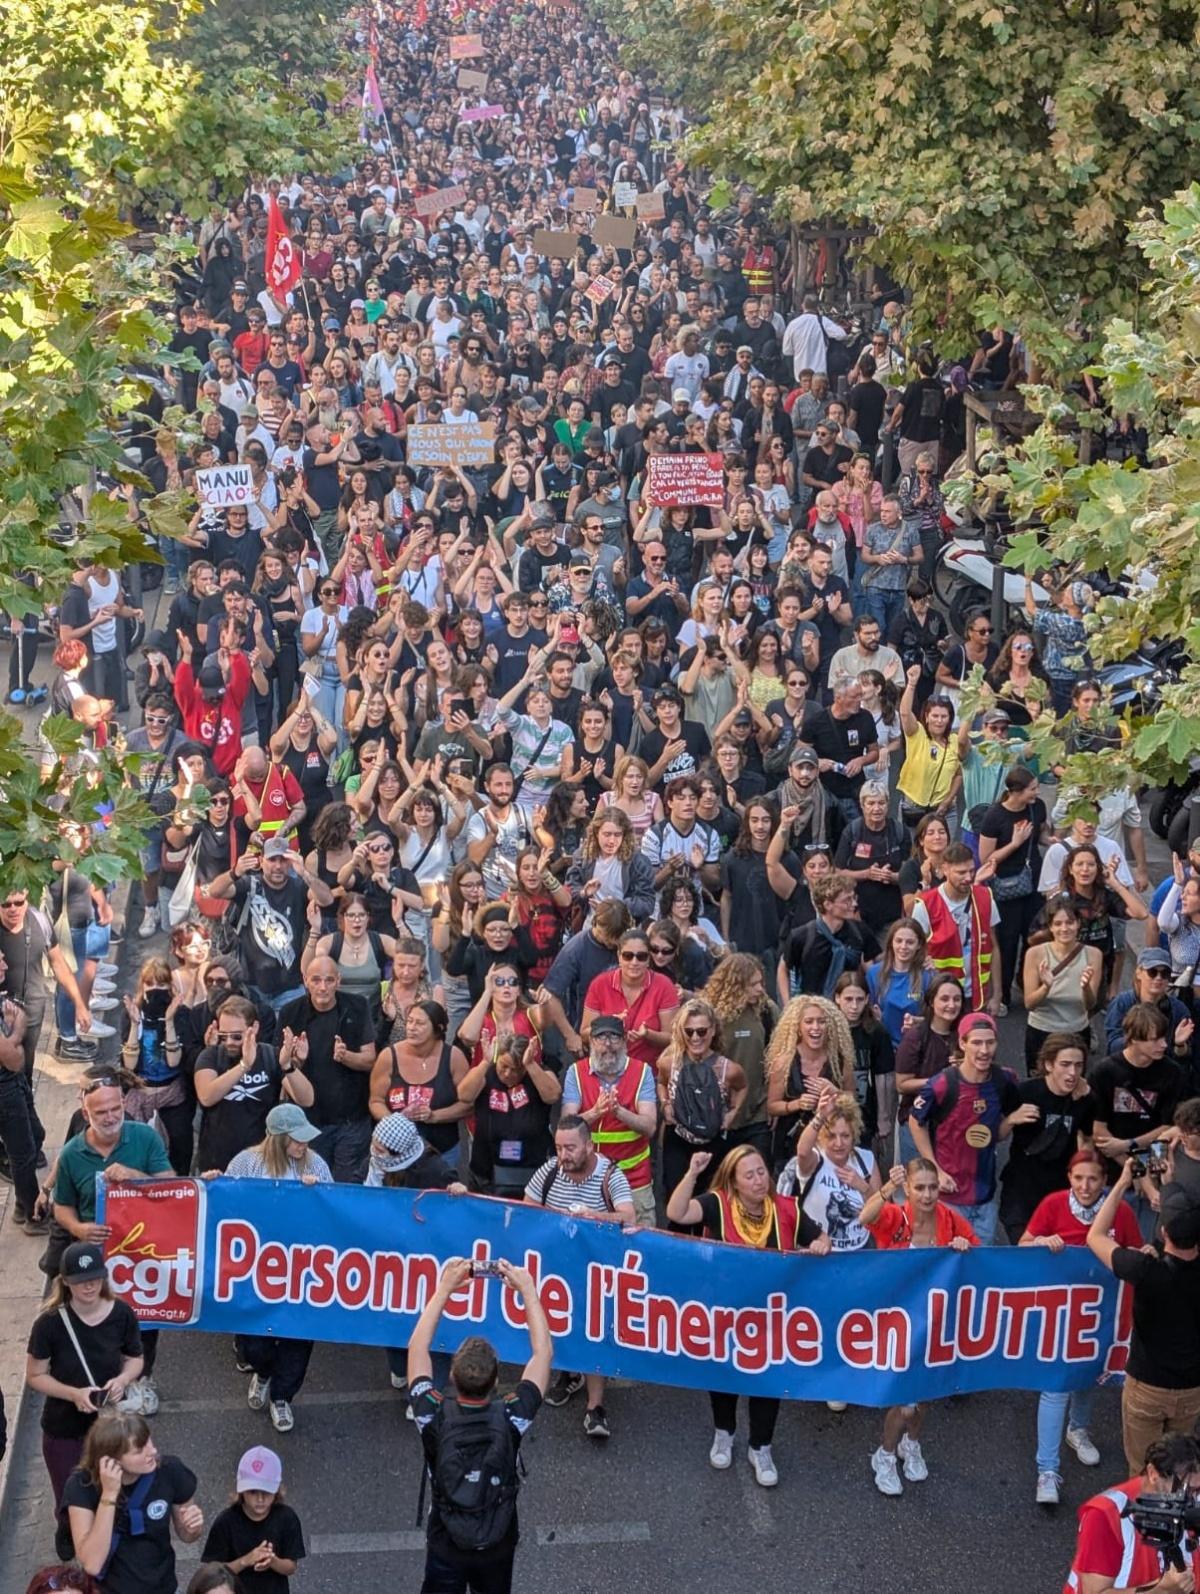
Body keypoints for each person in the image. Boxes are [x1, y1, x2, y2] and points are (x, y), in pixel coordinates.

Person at [665, 1142, 830, 1487]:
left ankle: (761, 1447)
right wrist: (692, 1173)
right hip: (725, 1316)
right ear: (734, 1182)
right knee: (723, 1377)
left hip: (771, 1320)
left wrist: (820, 1244)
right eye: (749, 1175)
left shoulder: (787, 1209)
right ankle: (724, 1433)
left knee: (767, 1382)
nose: (758, 1180)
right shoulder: (717, 1205)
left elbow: (821, 1238)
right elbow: (677, 1213)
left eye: (761, 1172)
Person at [407, 1257, 551, 1594]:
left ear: (452, 1378)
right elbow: (542, 1355)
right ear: (497, 1380)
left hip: (446, 1539)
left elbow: (417, 1347)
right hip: (497, 1540)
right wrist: (528, 1291)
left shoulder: (431, 1413)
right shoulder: (512, 1415)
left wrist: (444, 1288)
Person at [1020, 1149, 1140, 1504]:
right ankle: (1047, 1470)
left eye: (1093, 1179)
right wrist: (1041, 1242)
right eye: (1078, 1178)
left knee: (1089, 1376)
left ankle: (1078, 1429)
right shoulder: (1053, 1204)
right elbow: (1023, 1244)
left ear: (1105, 1181)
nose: (1085, 1186)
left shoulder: (1122, 1210)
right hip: (1059, 1316)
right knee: (1056, 1386)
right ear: (1068, 1178)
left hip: (1100, 1317)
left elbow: (1136, 1251)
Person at [52, 1075, 171, 1415]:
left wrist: (137, 1176)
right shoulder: (73, 1153)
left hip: (143, 1250)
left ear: (123, 1104)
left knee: (145, 1317)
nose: (109, 1116)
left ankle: (141, 1379)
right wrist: (78, 1227)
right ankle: (105, 1380)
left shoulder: (145, 1138)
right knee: (100, 1317)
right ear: (85, 1113)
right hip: (97, 1257)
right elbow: (62, 1205)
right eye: (100, 1111)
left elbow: (172, 1187)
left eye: (115, 1107)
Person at [859, 1158, 978, 1495]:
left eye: (933, 1187)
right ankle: (883, 1454)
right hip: (898, 1321)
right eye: (920, 1188)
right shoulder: (897, 1216)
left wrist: (964, 1248)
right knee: (904, 1400)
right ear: (908, 1189)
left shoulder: (950, 1220)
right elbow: (865, 1217)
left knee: (925, 1395)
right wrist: (886, 1190)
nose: (927, 1195)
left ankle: (911, 1444)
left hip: (935, 1322)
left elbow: (981, 1259)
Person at [217, 1103, 332, 1432]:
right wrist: (214, 1182)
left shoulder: (316, 1165)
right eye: (296, 1141)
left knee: (297, 1339)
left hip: (302, 1269)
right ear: (278, 1139)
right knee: (255, 1342)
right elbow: (226, 1205)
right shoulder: (247, 1162)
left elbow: (333, 1212)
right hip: (256, 1267)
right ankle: (263, 1372)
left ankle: (282, 1397)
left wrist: (319, 1195)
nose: (303, 1146)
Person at [524, 1115, 635, 1437]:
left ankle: (595, 1408)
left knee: (592, 1334)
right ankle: (570, 1375)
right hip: (557, 1272)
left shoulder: (610, 1174)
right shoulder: (549, 1171)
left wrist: (593, 1218)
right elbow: (527, 1208)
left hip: (595, 1274)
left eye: (570, 1147)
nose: (563, 1155)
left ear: (589, 1145)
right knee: (557, 1328)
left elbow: (629, 1216)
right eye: (559, 1147)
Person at [1087, 1155, 1200, 1472]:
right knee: (1180, 1467)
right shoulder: (1155, 1268)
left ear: (1163, 1232)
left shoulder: (1145, 1270)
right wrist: (1168, 1185)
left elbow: (1095, 1236)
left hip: (1147, 1387)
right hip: (1192, 1389)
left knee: (1143, 1469)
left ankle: (1142, 1518)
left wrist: (1123, 1182)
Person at [26, 1241, 144, 1541]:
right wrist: (74, 1394)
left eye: (94, 1278)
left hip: (108, 1426)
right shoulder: (49, 1324)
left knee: (111, 1490)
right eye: (80, 1282)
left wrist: (121, 1381)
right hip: (64, 1425)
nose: (89, 1286)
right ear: (65, 1282)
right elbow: (35, 1375)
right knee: (69, 1492)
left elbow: (135, 1359)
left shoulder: (122, 1314)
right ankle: (68, 1531)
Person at [909, 1011, 1026, 1244]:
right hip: (948, 1198)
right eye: (976, 1043)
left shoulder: (1004, 1081)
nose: (984, 1050)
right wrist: (936, 1170)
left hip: (985, 1198)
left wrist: (1010, 1120)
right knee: (948, 1267)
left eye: (990, 1042)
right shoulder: (942, 1084)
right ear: (962, 1043)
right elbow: (915, 1121)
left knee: (981, 1267)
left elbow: (995, 1136)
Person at [63, 1409, 204, 1590]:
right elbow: (92, 1563)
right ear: (111, 1459)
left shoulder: (170, 1471)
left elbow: (187, 1535)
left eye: (149, 1442)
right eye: (139, 1451)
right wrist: (109, 1495)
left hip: (162, 1586)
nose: (152, 1451)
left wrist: (194, 1527)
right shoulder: (82, 1486)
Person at [1062, 1431, 1200, 1594]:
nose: (1194, 1497)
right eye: (1186, 1489)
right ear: (1153, 1474)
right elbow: (1094, 1592)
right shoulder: (1105, 1516)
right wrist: (1160, 1590)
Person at [560, 1015, 658, 1227]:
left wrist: (619, 1112)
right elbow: (566, 1124)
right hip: (588, 1179)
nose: (607, 1044)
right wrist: (595, 1112)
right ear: (591, 1042)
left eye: (614, 1037)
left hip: (634, 1180)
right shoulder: (575, 1072)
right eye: (600, 1037)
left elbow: (649, 1126)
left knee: (640, 1244)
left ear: (624, 1041)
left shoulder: (643, 1072)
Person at [999, 1033, 1095, 1244]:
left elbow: (1087, 1138)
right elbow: (997, 1135)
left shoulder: (1085, 1098)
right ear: (1049, 1064)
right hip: (1022, 1190)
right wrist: (1013, 1119)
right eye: (1065, 1064)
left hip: (1059, 1191)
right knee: (1023, 1249)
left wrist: (1083, 1172)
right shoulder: (1024, 1091)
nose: (1072, 1073)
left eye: (1078, 1066)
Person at [201, 1445, 306, 1594]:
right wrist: (246, 1560)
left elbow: (290, 1567)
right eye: (252, 1492)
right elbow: (213, 1574)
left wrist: (272, 1561)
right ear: (241, 1491)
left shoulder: (287, 1518)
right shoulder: (225, 1522)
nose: (260, 1499)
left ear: (277, 1491)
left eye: (267, 1492)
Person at [911, 842, 1001, 1015]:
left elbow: (994, 947)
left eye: (971, 871)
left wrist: (997, 995)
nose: (968, 877)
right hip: (941, 996)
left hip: (976, 994)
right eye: (961, 872)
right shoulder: (925, 904)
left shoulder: (985, 897)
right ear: (945, 870)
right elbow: (915, 951)